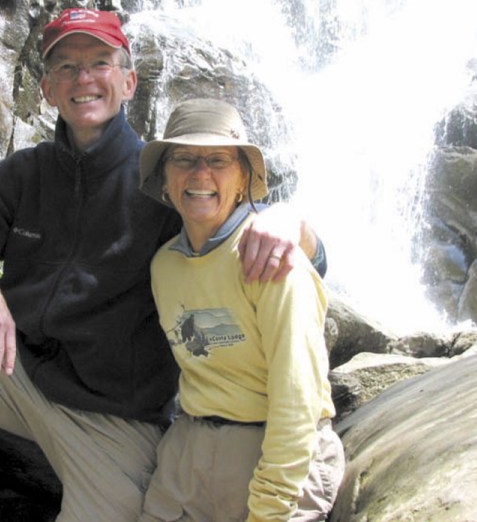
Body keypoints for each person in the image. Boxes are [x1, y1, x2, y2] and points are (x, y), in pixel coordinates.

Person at [0, 9, 327, 522]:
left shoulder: (167, 186)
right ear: (46, 88)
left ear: (129, 81)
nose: (83, 79)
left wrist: (293, 222)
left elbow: (253, 237)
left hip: (114, 421)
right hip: (14, 377)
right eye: (66, 67)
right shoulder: (24, 174)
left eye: (100, 63)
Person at [136, 98, 345, 522]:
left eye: (218, 160)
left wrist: (271, 505)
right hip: (188, 455)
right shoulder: (164, 266)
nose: (200, 174)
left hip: (275, 454)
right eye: (184, 159)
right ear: (164, 177)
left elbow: (298, 397)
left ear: (244, 177)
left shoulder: (271, 258)